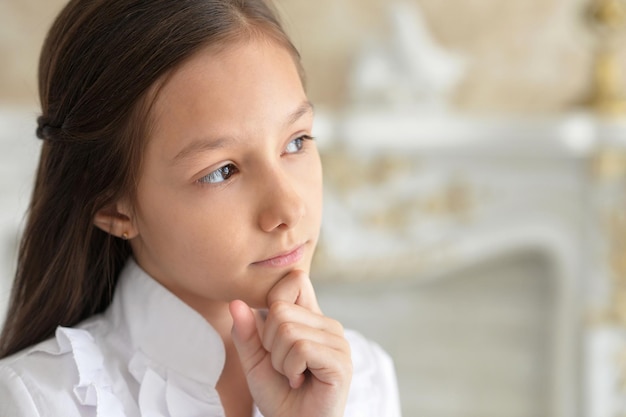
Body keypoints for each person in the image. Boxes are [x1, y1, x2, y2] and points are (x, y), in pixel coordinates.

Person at [0, 0, 401, 416]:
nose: (289, 208)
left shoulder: (363, 378)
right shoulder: (38, 400)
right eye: (221, 172)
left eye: (296, 142)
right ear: (113, 207)